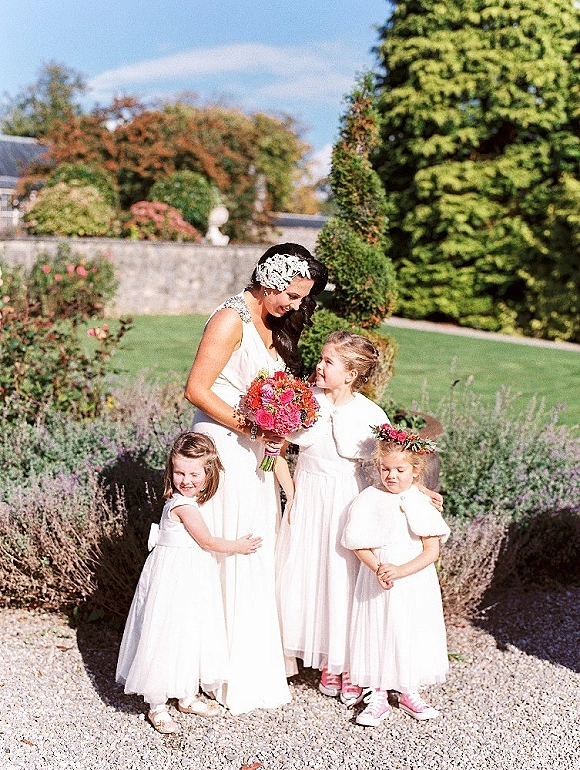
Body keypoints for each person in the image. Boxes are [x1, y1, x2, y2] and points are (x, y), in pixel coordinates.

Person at [184, 243, 328, 715]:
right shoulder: (230, 320)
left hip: (256, 455)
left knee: (255, 549)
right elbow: (196, 389)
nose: (296, 305)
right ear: (269, 280)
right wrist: (254, 428)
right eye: (292, 294)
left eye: (303, 298)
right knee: (225, 550)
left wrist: (278, 435)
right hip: (223, 450)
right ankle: (205, 668)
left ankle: (241, 664)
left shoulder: (271, 323)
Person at [116, 432, 262, 734]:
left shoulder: (195, 501)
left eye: (194, 474)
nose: (186, 480)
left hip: (191, 577)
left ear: (209, 473)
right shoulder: (183, 505)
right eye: (179, 473)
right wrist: (238, 546)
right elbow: (207, 541)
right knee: (165, 635)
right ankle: (157, 704)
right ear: (171, 471)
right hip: (173, 579)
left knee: (189, 632)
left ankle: (186, 694)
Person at [276, 331, 391, 708]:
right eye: (321, 358)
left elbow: (388, 465)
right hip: (309, 496)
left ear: (351, 373)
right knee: (309, 572)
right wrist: (291, 493)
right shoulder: (303, 401)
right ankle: (321, 654)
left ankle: (344, 661)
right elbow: (275, 449)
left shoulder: (370, 415)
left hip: (347, 500)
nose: (319, 365)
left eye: (329, 361)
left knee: (343, 576)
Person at [342, 424, 450, 727]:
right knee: (378, 629)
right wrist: (377, 567)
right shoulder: (368, 499)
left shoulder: (421, 501)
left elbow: (431, 551)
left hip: (413, 578)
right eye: (386, 469)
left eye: (400, 470)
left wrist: (401, 570)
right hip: (379, 578)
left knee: (408, 629)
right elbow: (358, 543)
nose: (392, 476)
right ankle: (376, 692)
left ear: (415, 471)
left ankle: (407, 689)